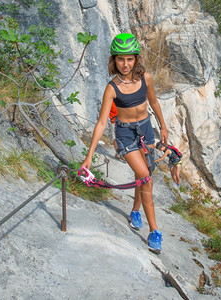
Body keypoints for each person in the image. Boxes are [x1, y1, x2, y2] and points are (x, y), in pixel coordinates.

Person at [81, 33, 168, 253]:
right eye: (121, 59)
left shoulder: (145, 78)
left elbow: (154, 102)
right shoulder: (112, 88)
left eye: (130, 59)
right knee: (146, 178)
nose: (125, 64)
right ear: (114, 60)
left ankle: (135, 210)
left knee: (144, 173)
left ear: (136, 59)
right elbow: (101, 123)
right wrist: (90, 154)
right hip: (125, 135)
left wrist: (163, 126)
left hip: (146, 130)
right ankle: (154, 232)